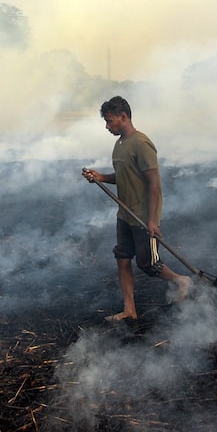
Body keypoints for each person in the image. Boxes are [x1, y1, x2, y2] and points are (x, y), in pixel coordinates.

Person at [82, 96, 191, 321]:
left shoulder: (141, 143)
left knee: (148, 263)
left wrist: (153, 220)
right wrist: (101, 177)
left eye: (110, 121)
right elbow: (124, 177)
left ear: (123, 117)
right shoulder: (120, 144)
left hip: (142, 216)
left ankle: (181, 280)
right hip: (125, 214)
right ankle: (129, 310)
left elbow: (154, 184)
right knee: (122, 258)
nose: (107, 126)